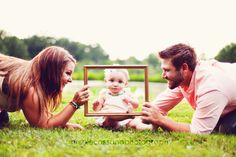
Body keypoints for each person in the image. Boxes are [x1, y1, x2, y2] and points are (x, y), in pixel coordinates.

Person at [141, 43, 236, 135]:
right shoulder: (182, 80)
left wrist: (161, 120)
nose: (163, 75)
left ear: (184, 68)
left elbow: (198, 132)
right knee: (219, 125)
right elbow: (155, 108)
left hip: (223, 91)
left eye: (167, 70)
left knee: (227, 129)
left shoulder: (211, 86)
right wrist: (129, 118)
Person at [0, 46, 89, 129]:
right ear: (53, 71)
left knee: (4, 119)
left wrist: (63, 124)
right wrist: (74, 104)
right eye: (68, 73)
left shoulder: (33, 76)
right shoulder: (30, 87)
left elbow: (42, 117)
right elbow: (43, 125)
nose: (70, 80)